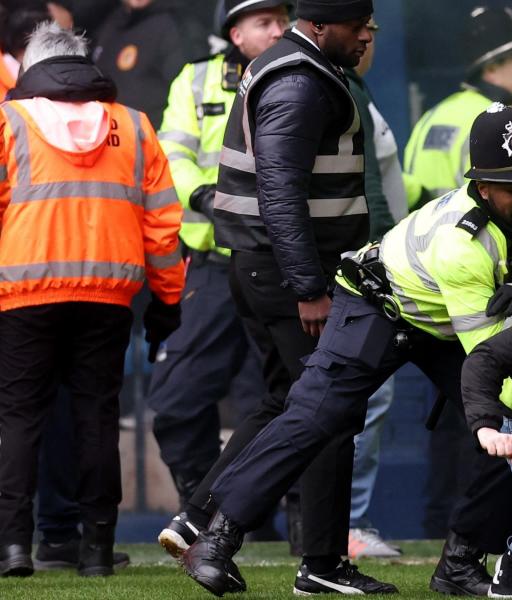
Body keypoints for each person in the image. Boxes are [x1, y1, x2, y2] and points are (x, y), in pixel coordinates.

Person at [179, 103, 512, 597]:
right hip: (379, 304)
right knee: (314, 415)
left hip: (447, 322)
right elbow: (490, 361)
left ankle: (460, 561)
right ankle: (217, 538)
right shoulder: (460, 244)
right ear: (482, 189)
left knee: (505, 426)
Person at [157, 1, 397, 594]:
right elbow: (281, 195)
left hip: (263, 268)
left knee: (282, 401)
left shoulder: (294, 67)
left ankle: (196, 518)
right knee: (330, 411)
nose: (368, 33)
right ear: (319, 26)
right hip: (288, 275)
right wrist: (309, 289)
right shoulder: (300, 80)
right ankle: (321, 564)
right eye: (357, 24)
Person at [0, 22, 184, 577]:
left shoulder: (9, 121)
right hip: (108, 296)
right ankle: (97, 551)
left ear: (32, 68)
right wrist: (167, 300)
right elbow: (162, 226)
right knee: (97, 419)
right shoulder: (133, 125)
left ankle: (13, 547)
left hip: (23, 294)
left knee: (18, 418)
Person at [149, 0, 289, 522]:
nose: (278, 29)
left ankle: (280, 521)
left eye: (283, 19)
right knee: (175, 402)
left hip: (280, 267)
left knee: (289, 401)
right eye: (264, 22)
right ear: (235, 33)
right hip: (210, 267)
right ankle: (203, 509)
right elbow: (172, 154)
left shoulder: (307, 76)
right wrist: (204, 197)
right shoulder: (194, 80)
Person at [343, 16, 408, 560]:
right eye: (358, 27)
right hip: (358, 267)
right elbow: (365, 192)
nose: (368, 39)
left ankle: (339, 521)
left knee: (365, 397)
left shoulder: (357, 89)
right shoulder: (336, 86)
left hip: (375, 262)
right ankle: (345, 522)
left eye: (373, 28)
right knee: (360, 395)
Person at [403, 7, 512, 206]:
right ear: (491, 68)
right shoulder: (498, 122)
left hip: (420, 233)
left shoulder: (432, 116)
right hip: (469, 234)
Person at [92, 0, 187, 128]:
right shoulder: (111, 21)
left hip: (147, 138)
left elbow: (183, 93)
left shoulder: (173, 27)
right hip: (103, 133)